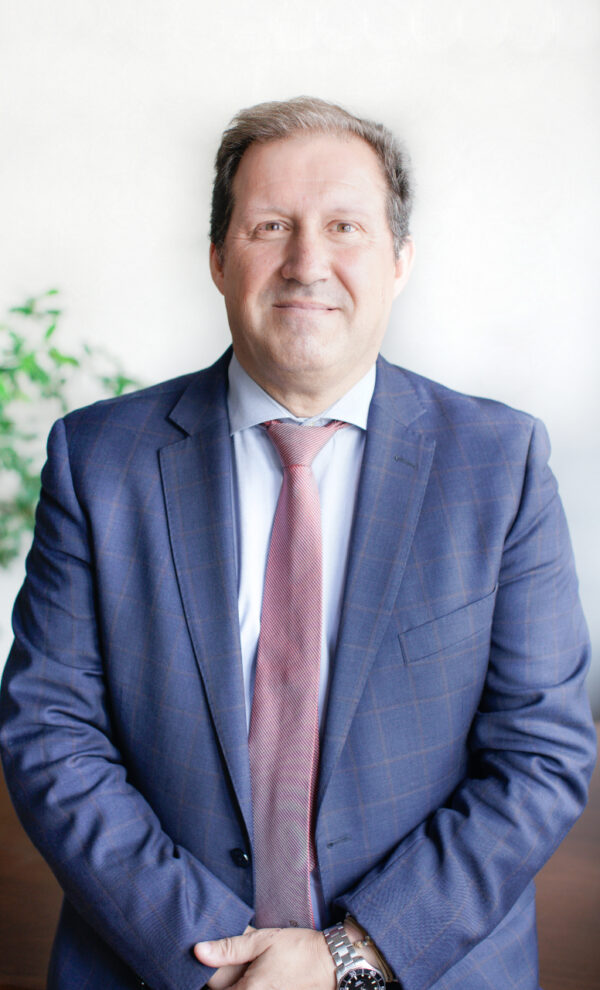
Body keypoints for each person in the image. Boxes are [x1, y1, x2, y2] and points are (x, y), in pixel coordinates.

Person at [0, 96, 596, 990]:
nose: (307, 262)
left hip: (422, 967)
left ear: (400, 260)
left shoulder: (500, 464)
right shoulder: (99, 460)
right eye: (270, 225)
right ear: (217, 257)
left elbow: (540, 754)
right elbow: (51, 733)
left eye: (345, 227)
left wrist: (348, 957)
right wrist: (215, 960)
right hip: (160, 967)